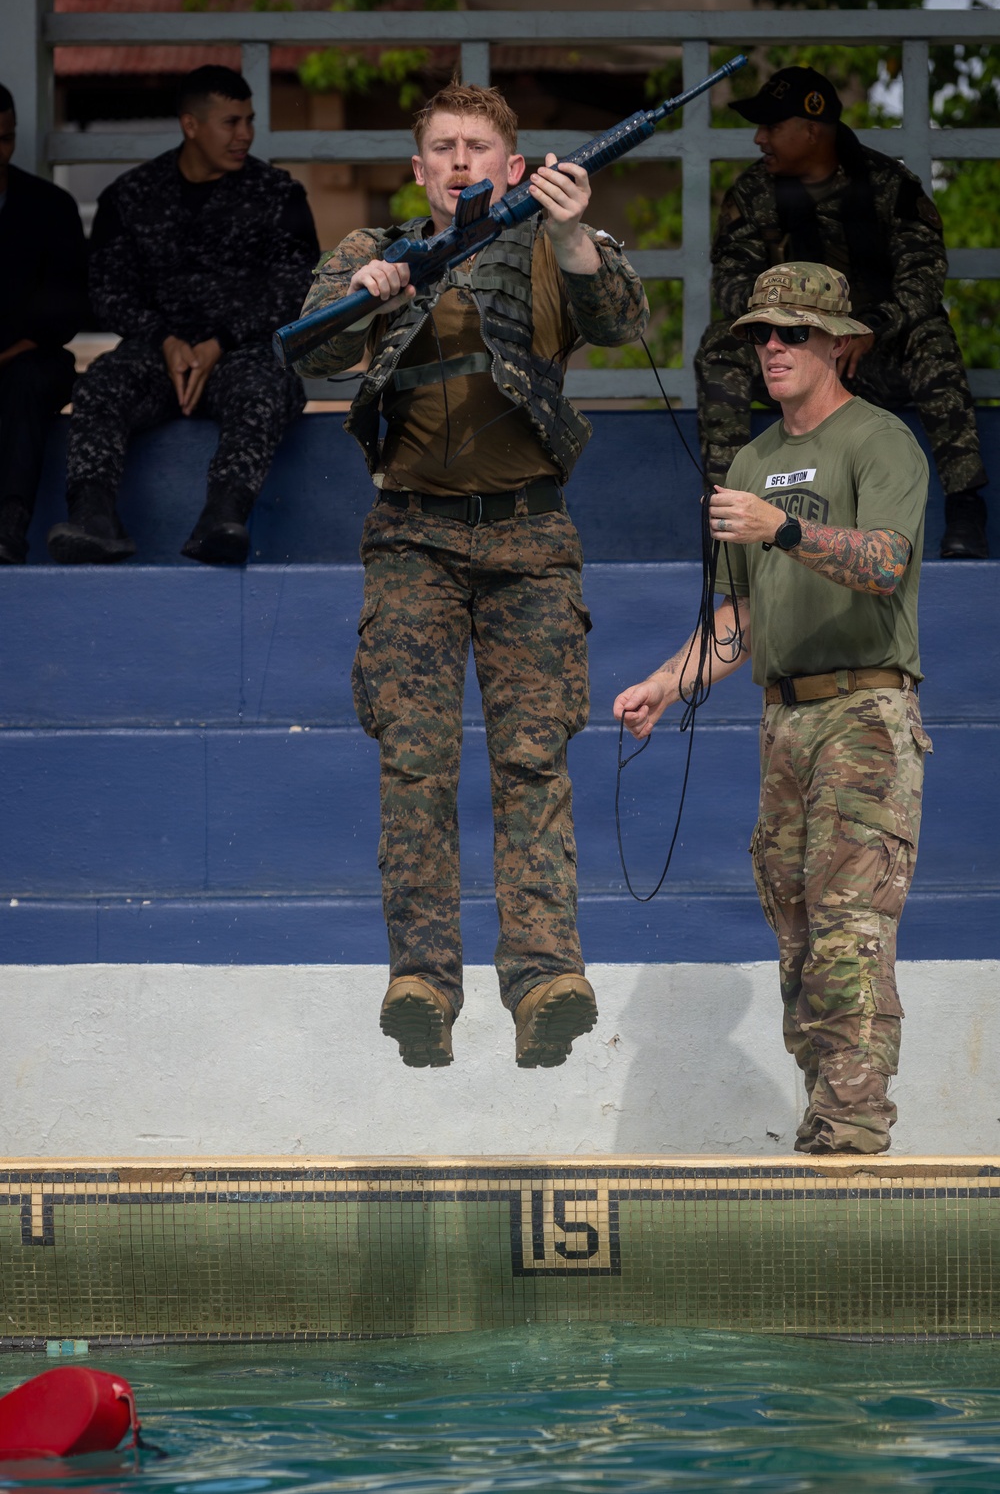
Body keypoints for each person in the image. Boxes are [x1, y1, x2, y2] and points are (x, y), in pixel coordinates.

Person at [294, 82, 648, 1069]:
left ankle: (543, 980)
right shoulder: (376, 254)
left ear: (511, 161)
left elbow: (623, 320)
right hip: (413, 539)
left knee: (533, 762)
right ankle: (424, 982)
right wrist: (358, 299)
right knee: (416, 766)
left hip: (529, 537)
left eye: (477, 146)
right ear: (418, 169)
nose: (459, 161)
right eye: (442, 147)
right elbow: (305, 353)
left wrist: (577, 238)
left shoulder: (550, 241)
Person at [616, 262, 931, 1156]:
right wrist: (665, 683)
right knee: (796, 932)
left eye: (793, 332)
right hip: (783, 719)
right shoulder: (751, 461)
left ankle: (854, 1130)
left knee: (849, 931)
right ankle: (827, 1120)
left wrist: (782, 527)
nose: (774, 348)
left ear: (841, 344)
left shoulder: (879, 441)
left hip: (866, 709)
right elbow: (739, 620)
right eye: (762, 333)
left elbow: (885, 563)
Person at [695, 66, 989, 560]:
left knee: (932, 337)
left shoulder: (888, 184)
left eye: (771, 126)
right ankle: (727, 508)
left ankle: (965, 507)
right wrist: (795, 326)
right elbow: (730, 282)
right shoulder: (753, 193)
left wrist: (872, 327)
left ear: (811, 131)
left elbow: (925, 274)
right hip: (793, 352)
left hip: (871, 355)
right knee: (720, 344)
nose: (759, 138)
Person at [48, 65, 318, 566]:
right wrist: (165, 339)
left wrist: (219, 340)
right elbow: (107, 290)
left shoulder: (277, 194)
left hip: (241, 354)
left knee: (267, 383)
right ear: (190, 125)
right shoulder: (130, 197)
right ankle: (93, 518)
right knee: (100, 384)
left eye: (249, 121)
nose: (245, 135)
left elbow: (293, 288)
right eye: (230, 122)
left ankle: (222, 517)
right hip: (156, 357)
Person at [0, 82, 88, 564]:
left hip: (31, 357)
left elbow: (68, 307)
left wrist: (11, 351)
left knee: (29, 378)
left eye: (5, 139)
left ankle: (10, 527)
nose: (0, 152)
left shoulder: (48, 206)